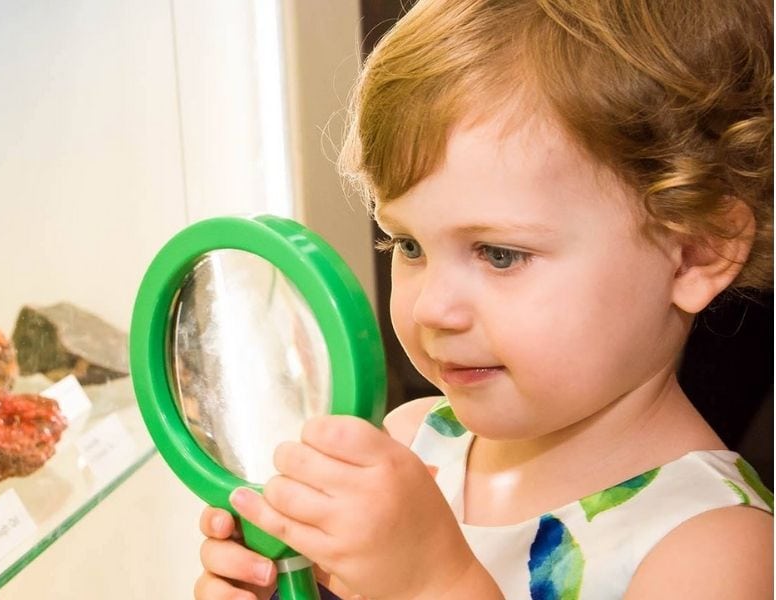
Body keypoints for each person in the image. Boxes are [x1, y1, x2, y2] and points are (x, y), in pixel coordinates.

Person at [194, 0, 774, 598]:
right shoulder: (412, 443)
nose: (430, 309)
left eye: (500, 254)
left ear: (697, 252)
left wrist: (432, 583)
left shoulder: (716, 548)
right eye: (408, 244)